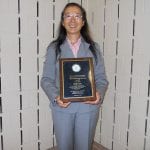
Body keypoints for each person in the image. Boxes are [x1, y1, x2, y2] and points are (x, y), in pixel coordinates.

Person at [41, 2, 108, 150]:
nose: (72, 20)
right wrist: (56, 96)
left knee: (84, 146)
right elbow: (46, 79)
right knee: (64, 146)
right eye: (68, 16)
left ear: (83, 22)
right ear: (63, 22)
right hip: (63, 108)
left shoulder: (94, 48)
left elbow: (102, 79)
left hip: (88, 109)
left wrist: (99, 94)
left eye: (77, 16)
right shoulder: (54, 48)